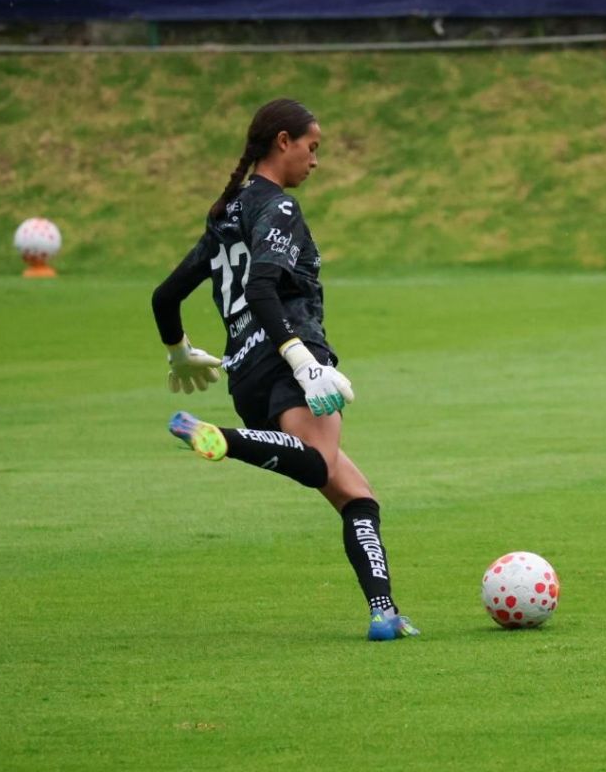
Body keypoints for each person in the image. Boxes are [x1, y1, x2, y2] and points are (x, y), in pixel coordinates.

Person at [152, 98, 419, 641]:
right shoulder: (278, 207)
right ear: (282, 142)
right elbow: (261, 288)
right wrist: (304, 362)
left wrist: (178, 352)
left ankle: (385, 614)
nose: (315, 161)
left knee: (357, 496)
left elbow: (165, 296)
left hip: (246, 377)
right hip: (291, 359)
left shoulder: (226, 212)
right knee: (318, 464)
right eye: (311, 147)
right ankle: (220, 439)